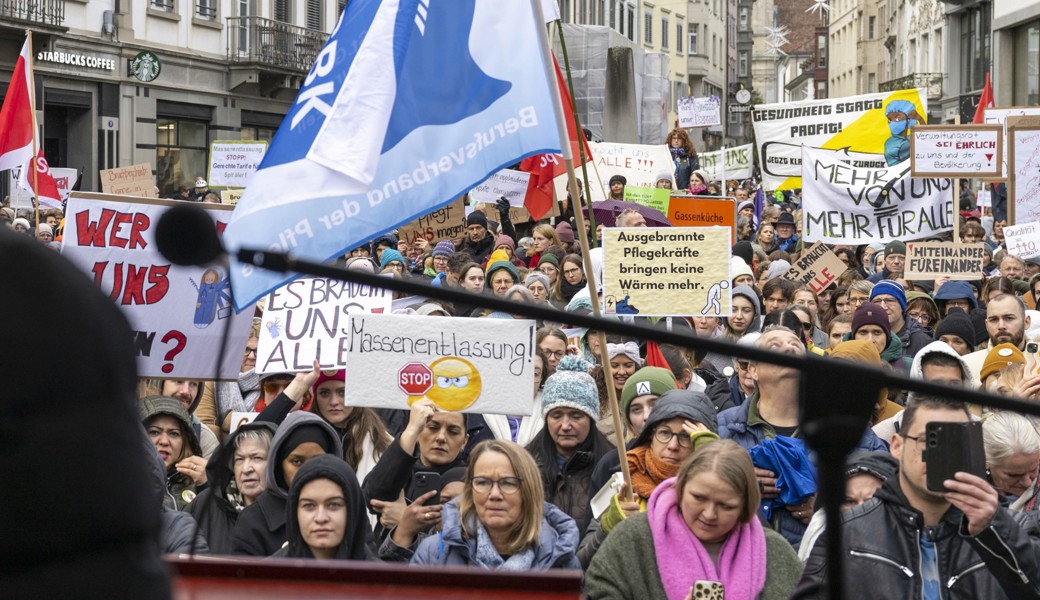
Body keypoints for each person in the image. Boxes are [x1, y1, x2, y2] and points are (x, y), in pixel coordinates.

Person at [792, 394, 1040, 600]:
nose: (937, 455)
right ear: (897, 446)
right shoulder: (847, 532)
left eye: (954, 443)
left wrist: (994, 531)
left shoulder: (1011, 527)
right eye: (929, 440)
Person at [718, 327, 886, 546]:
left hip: (820, 564)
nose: (788, 347)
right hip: (742, 558)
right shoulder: (724, 427)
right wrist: (738, 482)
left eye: (795, 346)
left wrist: (826, 508)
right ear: (753, 370)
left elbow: (884, 488)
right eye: (775, 346)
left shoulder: (845, 426)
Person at [585, 440, 803, 600]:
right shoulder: (633, 539)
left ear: (746, 507)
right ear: (679, 489)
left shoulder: (775, 553)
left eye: (726, 506)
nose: (709, 514)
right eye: (698, 498)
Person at [580, 390, 720, 567]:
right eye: (664, 433)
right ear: (650, 437)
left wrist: (713, 461)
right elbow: (581, 564)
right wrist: (607, 528)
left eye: (686, 437)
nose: (672, 445)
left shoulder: (722, 485)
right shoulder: (625, 484)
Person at [411, 439, 581, 570]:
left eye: (507, 483)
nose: (494, 495)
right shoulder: (434, 552)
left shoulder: (560, 559)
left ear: (529, 491)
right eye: (483, 482)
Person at [231, 411, 343, 555]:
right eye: (296, 461)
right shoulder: (253, 521)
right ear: (279, 465)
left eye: (317, 460)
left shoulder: (350, 509)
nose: (307, 471)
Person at [364, 399, 469, 540]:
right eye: (432, 427)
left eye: (453, 432)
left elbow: (459, 540)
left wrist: (406, 522)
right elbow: (372, 497)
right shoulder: (400, 467)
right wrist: (411, 431)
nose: (441, 437)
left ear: (464, 441)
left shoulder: (467, 482)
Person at [526, 356, 612, 526]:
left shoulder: (612, 468)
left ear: (591, 419)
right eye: (556, 415)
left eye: (576, 415)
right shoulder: (525, 465)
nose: (565, 426)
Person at [185, 421, 275, 555]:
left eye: (257, 458)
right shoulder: (205, 503)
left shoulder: (291, 510)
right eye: (239, 459)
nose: (246, 469)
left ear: (275, 462)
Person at [274, 454, 377, 560]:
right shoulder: (268, 574)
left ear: (353, 510)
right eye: (309, 506)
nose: (321, 518)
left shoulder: (379, 576)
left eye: (334, 505)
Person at [309, 369, 391, 484]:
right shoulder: (304, 437)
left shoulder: (382, 441)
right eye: (324, 393)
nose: (334, 401)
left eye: (342, 392)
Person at [141, 395, 207, 511]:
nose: (164, 441)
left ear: (185, 441)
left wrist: (207, 487)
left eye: (174, 434)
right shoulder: (123, 482)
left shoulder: (200, 483)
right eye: (154, 432)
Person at [983, 411, 1040, 511]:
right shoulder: (966, 494)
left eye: (1034, 470)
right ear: (986, 462)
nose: (1028, 483)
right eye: (1014, 475)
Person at [870, 279, 932, 360]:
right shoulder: (864, 336)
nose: (883, 306)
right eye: (877, 301)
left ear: (902, 306)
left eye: (889, 300)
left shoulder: (922, 341)